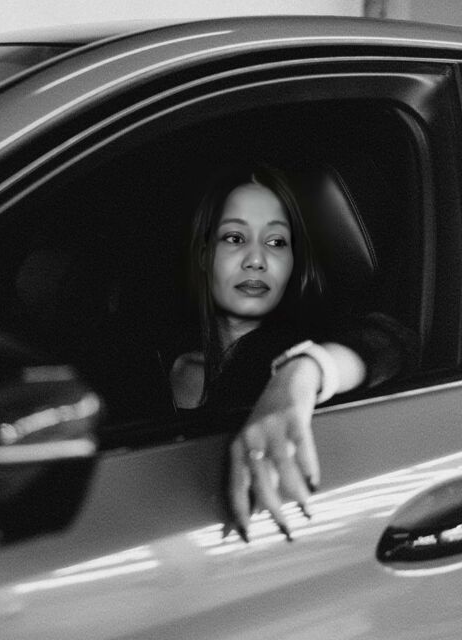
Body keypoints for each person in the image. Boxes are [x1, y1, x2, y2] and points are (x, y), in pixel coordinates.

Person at [170, 164, 414, 543]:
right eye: (234, 238)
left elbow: (394, 342)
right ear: (204, 254)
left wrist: (304, 372)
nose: (256, 259)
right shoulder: (161, 368)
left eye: (276, 242)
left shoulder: (295, 357)